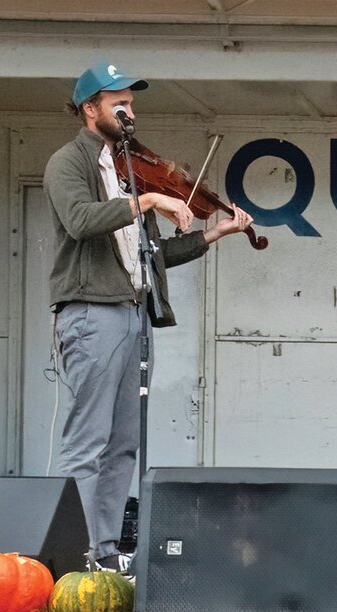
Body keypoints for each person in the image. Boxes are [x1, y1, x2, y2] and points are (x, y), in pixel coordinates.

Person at [44, 63, 252, 572]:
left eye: (132, 103)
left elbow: (154, 256)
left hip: (135, 315)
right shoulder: (68, 162)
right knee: (88, 440)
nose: (128, 110)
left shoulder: (126, 169)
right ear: (90, 108)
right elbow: (80, 221)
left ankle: (109, 551)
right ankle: (79, 555)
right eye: (118, 102)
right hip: (92, 313)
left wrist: (212, 234)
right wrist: (152, 198)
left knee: (123, 444)